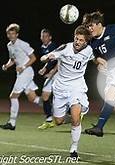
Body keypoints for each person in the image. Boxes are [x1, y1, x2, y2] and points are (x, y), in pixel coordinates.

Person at [40, 25, 95, 158]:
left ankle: (74, 149)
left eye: (81, 40)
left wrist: (103, 64)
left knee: (76, 119)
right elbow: (51, 54)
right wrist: (47, 57)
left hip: (76, 87)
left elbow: (97, 58)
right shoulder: (66, 47)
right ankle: (73, 115)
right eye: (76, 38)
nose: (78, 42)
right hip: (60, 88)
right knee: (58, 121)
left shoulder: (89, 50)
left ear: (86, 42)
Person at [0, 23, 40, 130]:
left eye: (13, 33)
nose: (11, 35)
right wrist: (7, 66)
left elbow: (33, 58)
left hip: (26, 72)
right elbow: (13, 59)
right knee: (33, 98)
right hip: (21, 73)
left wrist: (23, 66)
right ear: (7, 35)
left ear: (17, 34)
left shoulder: (23, 44)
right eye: (9, 34)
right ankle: (54, 108)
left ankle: (12, 123)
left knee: (13, 96)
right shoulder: (9, 45)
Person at [38, 28, 57, 130]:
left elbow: (57, 61)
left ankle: (75, 113)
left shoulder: (53, 46)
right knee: (45, 96)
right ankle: (49, 119)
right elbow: (48, 62)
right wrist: (44, 69)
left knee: (62, 96)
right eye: (42, 36)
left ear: (50, 37)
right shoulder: (42, 48)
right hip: (50, 74)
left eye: (46, 36)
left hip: (58, 74)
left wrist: (50, 71)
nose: (44, 38)